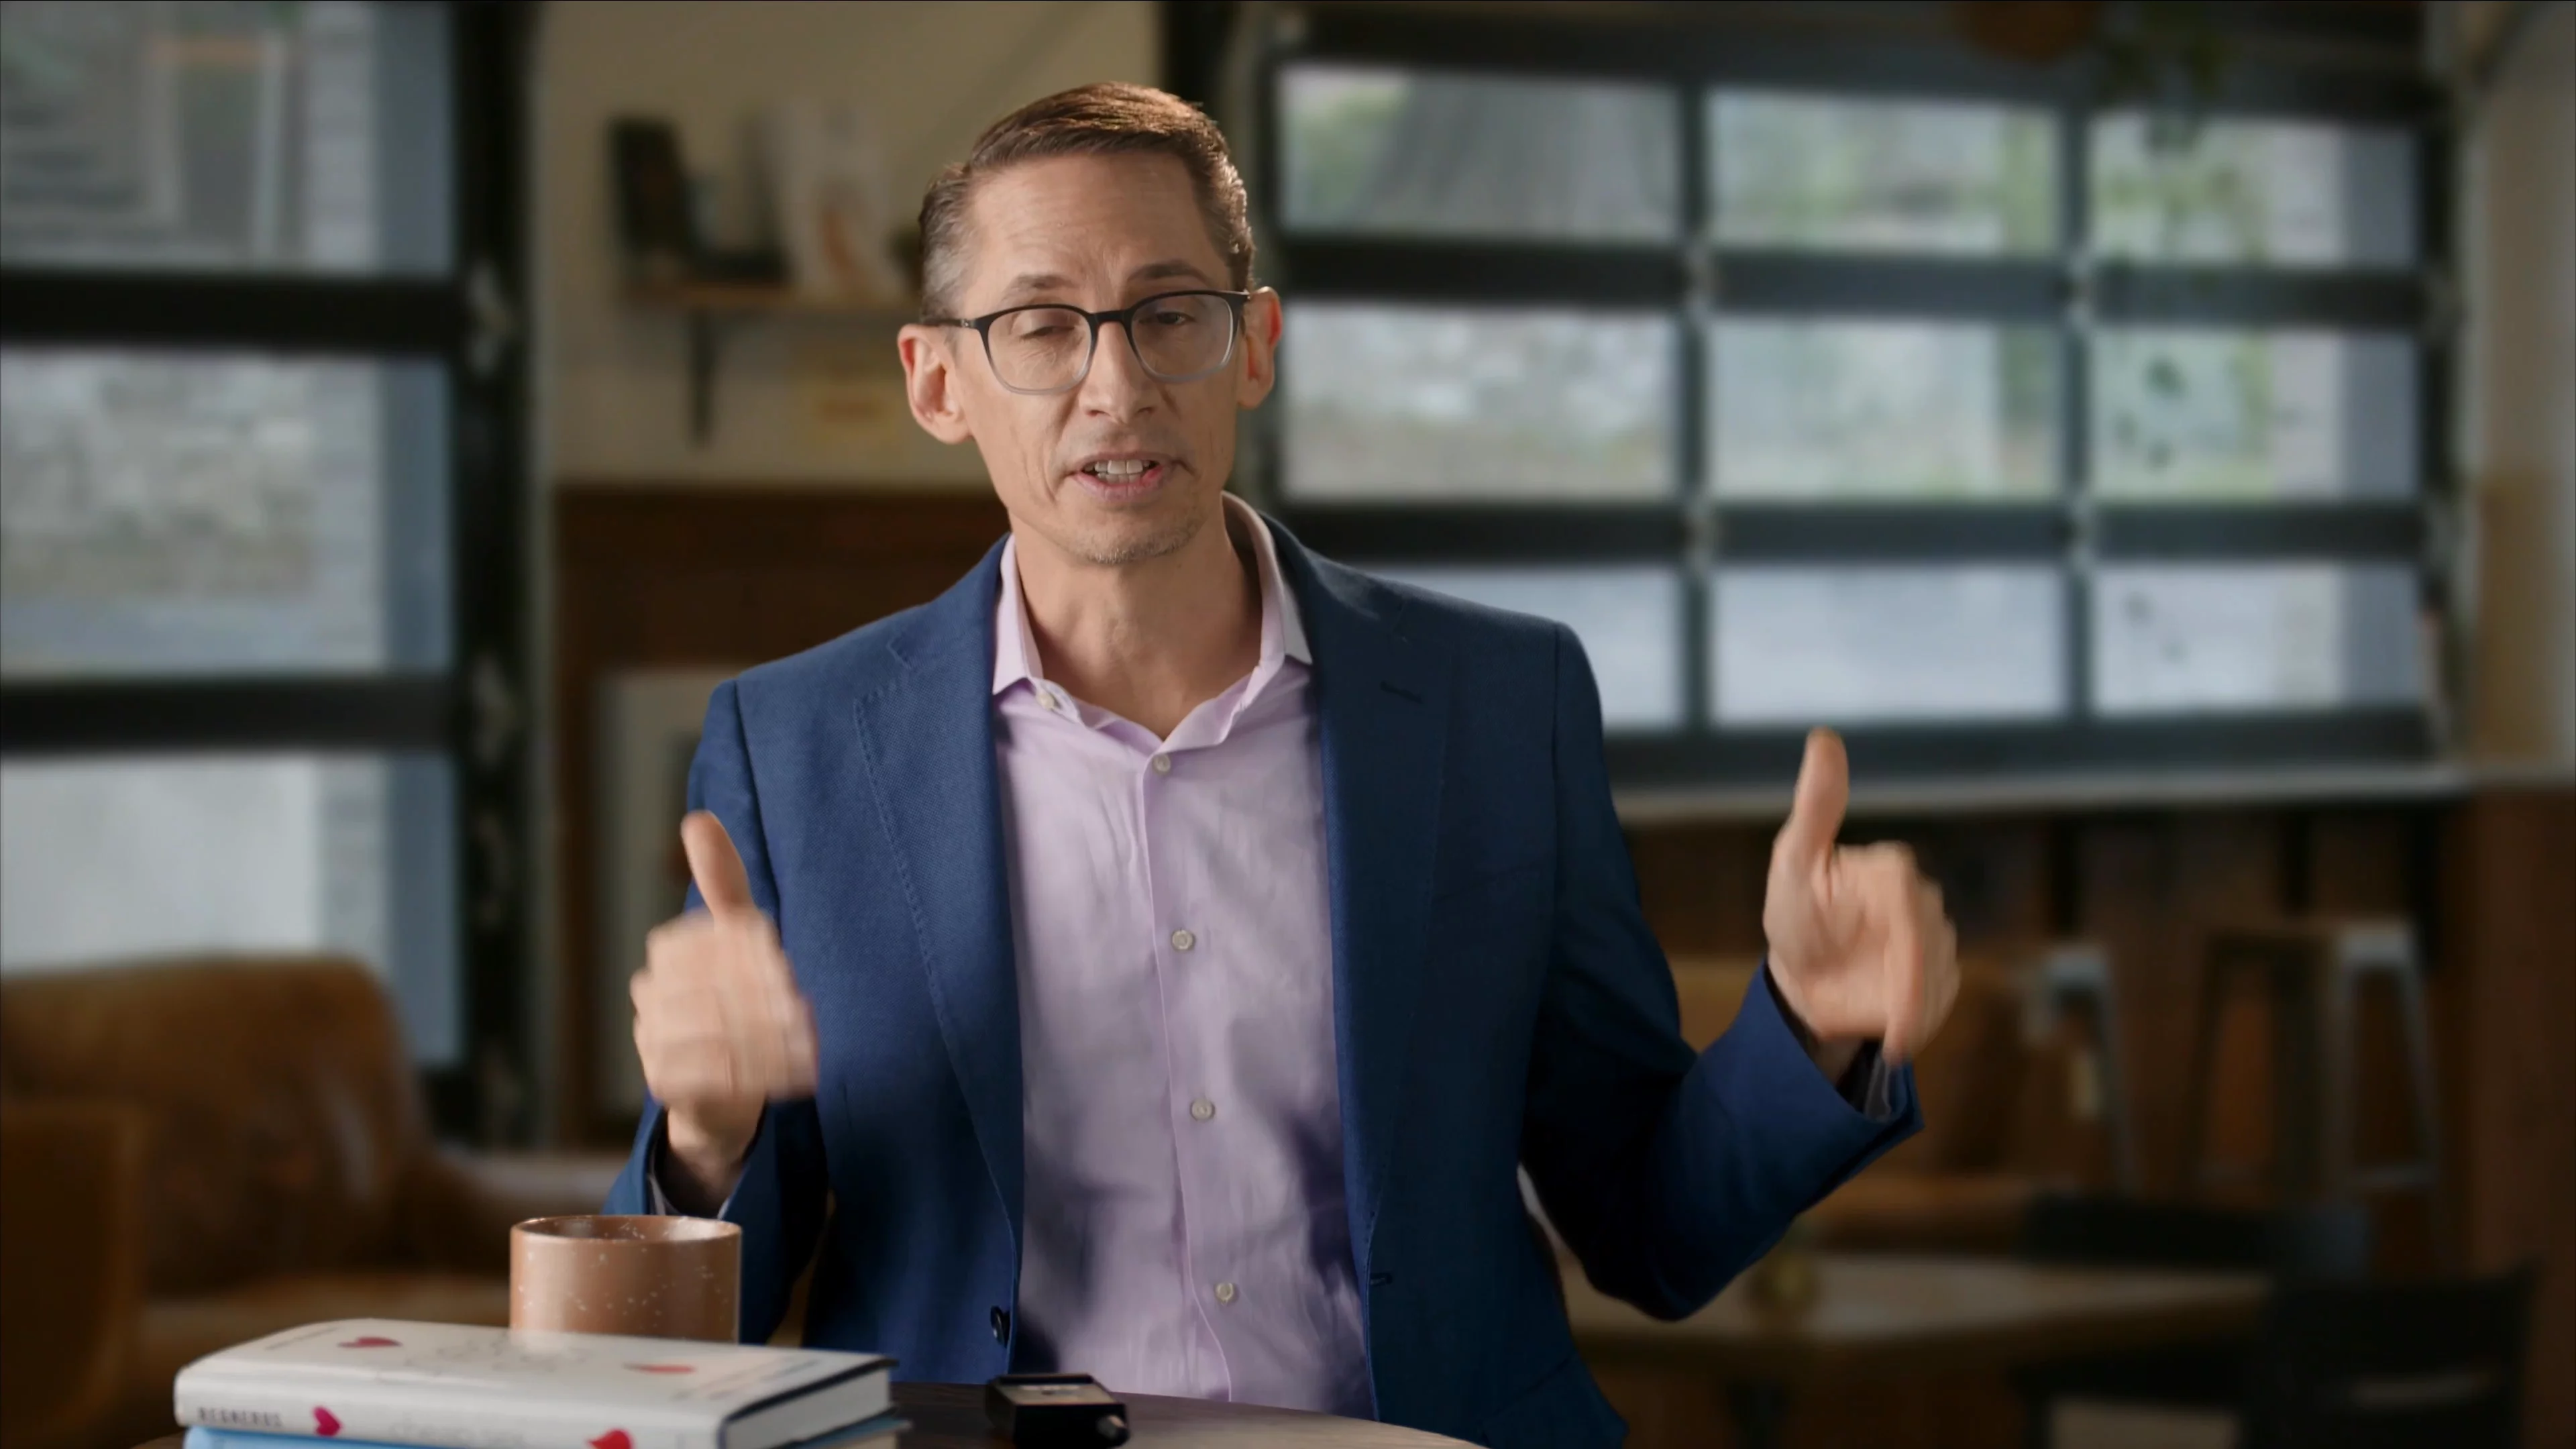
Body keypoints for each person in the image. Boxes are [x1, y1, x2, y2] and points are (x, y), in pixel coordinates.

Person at [606, 83, 1960, 1447]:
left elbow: (1650, 1229)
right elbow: (678, 1352)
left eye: (1170, 313)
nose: (1117, 386)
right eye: (1042, 326)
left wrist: (1810, 1031)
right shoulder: (797, 751)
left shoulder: (1498, 707)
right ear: (938, 382)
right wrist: (709, 1141)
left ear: (1253, 346)